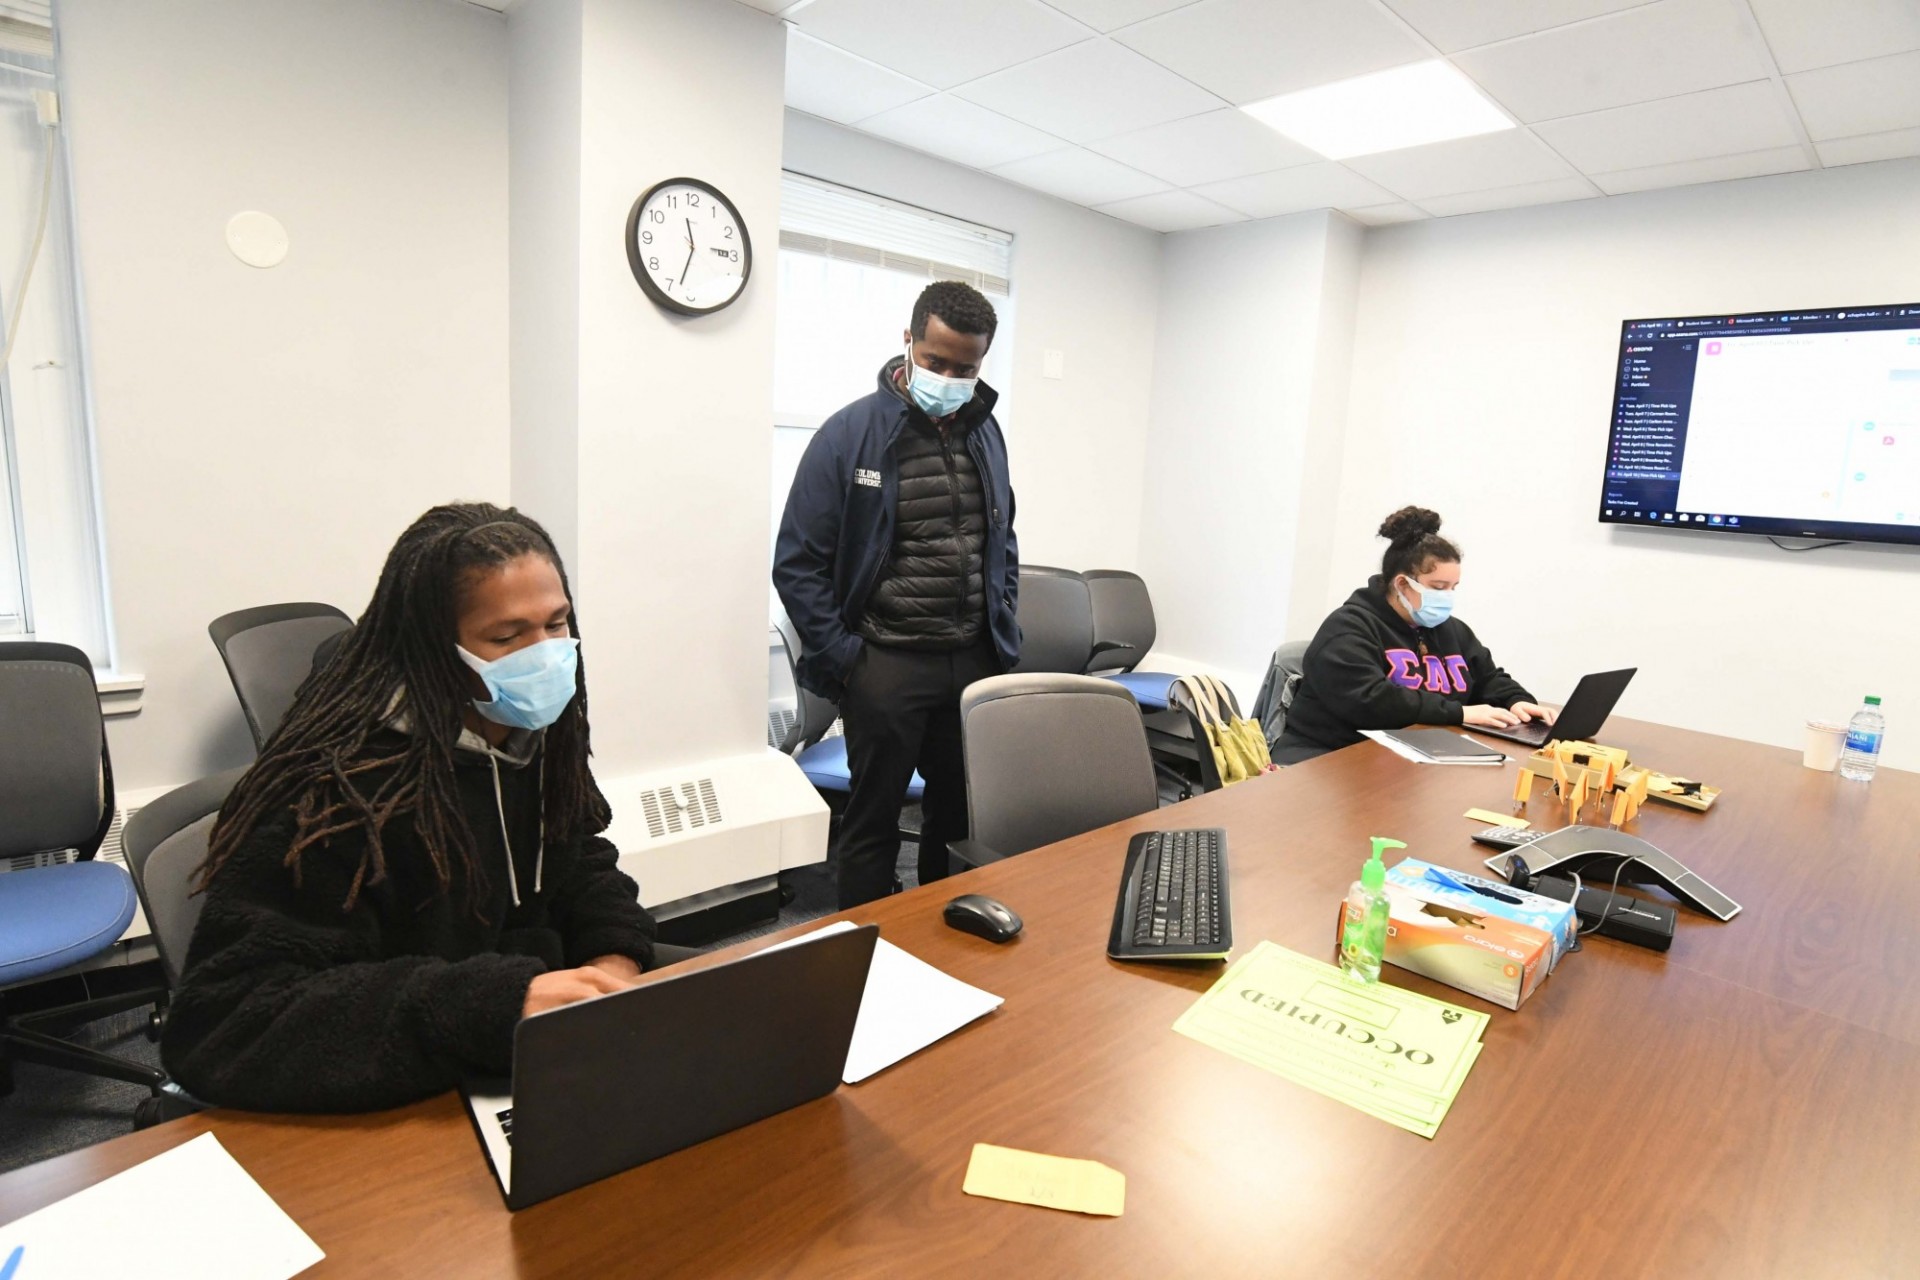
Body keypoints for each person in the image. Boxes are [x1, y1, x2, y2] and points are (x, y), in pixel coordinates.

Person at [164, 503, 668, 1113]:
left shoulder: (530, 736)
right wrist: (493, 1005)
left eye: (557, 625)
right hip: (395, 1090)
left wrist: (612, 957)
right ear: (435, 648)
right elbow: (225, 1022)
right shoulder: (338, 789)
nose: (545, 655)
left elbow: (577, 860)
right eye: (508, 637)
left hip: (521, 1060)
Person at [773, 281, 1020, 907]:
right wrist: (847, 660)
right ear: (907, 342)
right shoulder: (848, 434)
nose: (948, 377)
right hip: (883, 662)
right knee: (872, 819)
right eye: (935, 361)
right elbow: (797, 562)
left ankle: (947, 941)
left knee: (959, 815)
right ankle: (866, 956)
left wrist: (1003, 622)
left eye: (965, 368)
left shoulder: (986, 434)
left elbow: (1002, 540)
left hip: (970, 660)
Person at [1274, 506, 1555, 765]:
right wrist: (1460, 713)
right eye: (1438, 586)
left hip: (1410, 757)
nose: (1446, 597)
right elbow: (1371, 701)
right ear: (1402, 584)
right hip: (1332, 757)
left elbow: (1487, 677)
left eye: (1453, 587)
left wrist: (1519, 702)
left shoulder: (1451, 630)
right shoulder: (1348, 628)